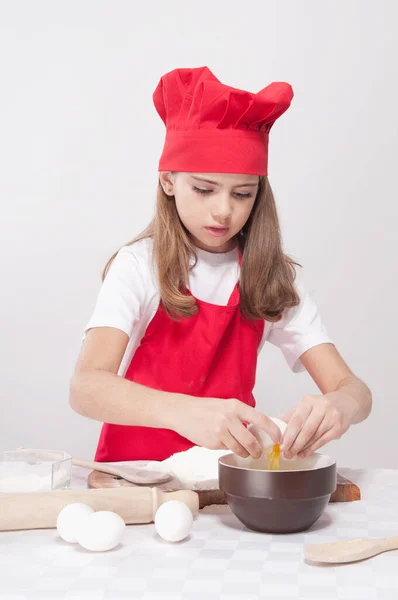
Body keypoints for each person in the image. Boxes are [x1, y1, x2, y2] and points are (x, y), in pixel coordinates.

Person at [70, 66, 372, 463]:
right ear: (168, 182)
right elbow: (86, 387)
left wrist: (339, 407)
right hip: (134, 479)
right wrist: (184, 412)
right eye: (204, 189)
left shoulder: (268, 278)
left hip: (224, 484)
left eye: (243, 194)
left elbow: (355, 390)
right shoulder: (138, 266)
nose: (224, 211)